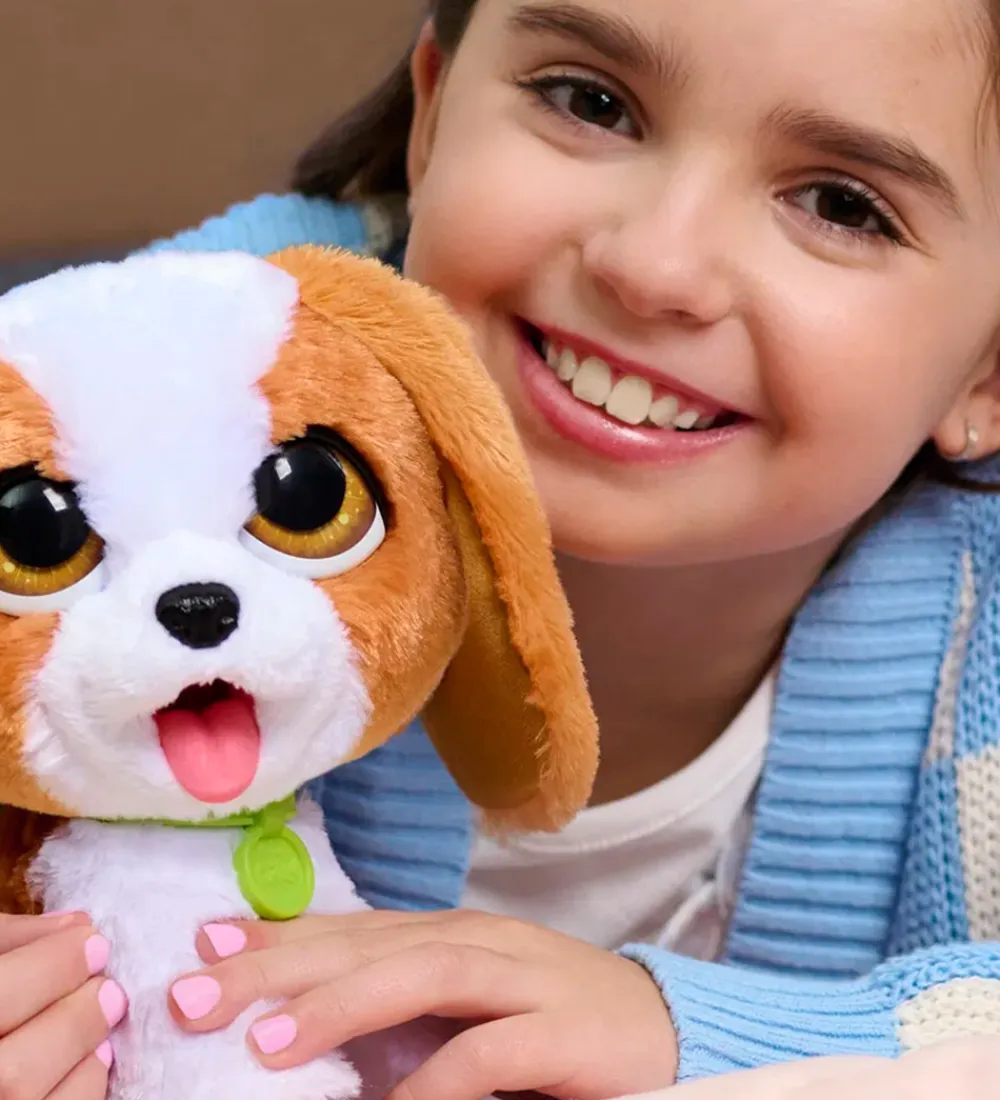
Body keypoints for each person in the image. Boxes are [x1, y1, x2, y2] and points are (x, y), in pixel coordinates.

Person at [7, 0, 1000, 1096]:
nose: (654, 265)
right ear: (433, 115)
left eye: (841, 205)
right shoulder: (100, 435)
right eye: (591, 102)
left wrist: (704, 1031)